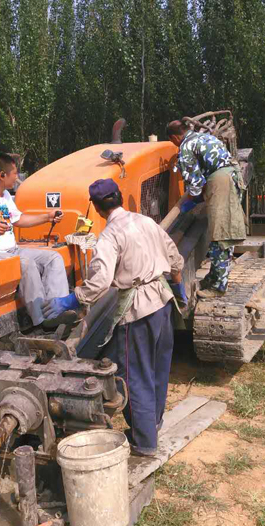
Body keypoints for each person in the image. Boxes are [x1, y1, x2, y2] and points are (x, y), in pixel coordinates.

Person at [43, 178, 185, 457]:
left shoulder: (109, 236)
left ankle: (144, 442)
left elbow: (100, 282)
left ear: (97, 208)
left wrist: (72, 299)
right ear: (119, 197)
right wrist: (179, 289)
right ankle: (153, 424)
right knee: (158, 368)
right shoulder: (146, 222)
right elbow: (174, 257)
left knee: (134, 375)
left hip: (138, 310)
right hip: (163, 303)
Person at [0, 152, 70, 327]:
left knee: (53, 258)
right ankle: (43, 320)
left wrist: (47, 217)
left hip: (12, 251)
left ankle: (57, 310)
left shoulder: (5, 196)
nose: (17, 178)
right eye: (15, 173)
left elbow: (19, 220)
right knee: (26, 264)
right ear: (2, 175)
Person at [167, 120, 247, 298]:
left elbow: (195, 185)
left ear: (174, 138)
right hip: (233, 176)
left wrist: (188, 203)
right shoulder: (204, 137)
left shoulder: (186, 147)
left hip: (221, 182)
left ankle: (218, 287)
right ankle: (214, 277)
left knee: (221, 235)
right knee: (222, 233)